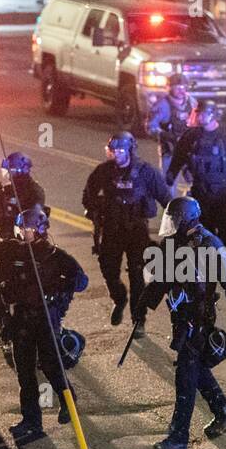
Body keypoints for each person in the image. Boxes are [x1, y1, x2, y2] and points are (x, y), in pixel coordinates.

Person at [0, 205, 89, 442]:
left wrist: (56, 289)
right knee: (25, 371)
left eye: (27, 227)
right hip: (20, 319)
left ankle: (68, 402)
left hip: (45, 319)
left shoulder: (55, 256)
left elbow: (81, 281)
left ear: (40, 229)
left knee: (51, 366)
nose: (22, 232)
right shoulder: (13, 251)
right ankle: (31, 420)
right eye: (20, 227)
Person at [141, 197, 226, 449]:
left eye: (174, 219)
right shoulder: (173, 244)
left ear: (186, 219)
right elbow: (162, 280)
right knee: (196, 369)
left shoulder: (211, 245)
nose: (171, 224)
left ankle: (178, 437)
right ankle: (223, 411)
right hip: (181, 318)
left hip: (199, 320)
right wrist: (143, 304)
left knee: (185, 377)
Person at [82, 132, 170, 327]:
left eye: (120, 150)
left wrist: (174, 225)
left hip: (136, 230)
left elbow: (167, 199)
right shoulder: (103, 171)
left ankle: (138, 319)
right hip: (111, 229)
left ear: (130, 150)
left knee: (137, 275)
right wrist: (97, 208)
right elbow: (88, 195)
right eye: (113, 150)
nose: (116, 154)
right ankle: (119, 299)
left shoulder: (146, 172)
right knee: (109, 270)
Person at [168, 100, 226, 248]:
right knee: (201, 233)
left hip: (221, 192)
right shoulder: (191, 136)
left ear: (213, 115)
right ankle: (205, 266)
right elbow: (178, 157)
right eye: (198, 114)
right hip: (199, 191)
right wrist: (170, 176)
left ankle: (222, 263)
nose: (200, 117)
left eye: (203, 114)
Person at [0, 151, 46, 336]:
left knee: (36, 280)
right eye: (6, 171)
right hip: (9, 241)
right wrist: (2, 194)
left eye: (11, 171)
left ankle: (45, 320)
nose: (7, 175)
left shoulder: (33, 190)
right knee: (0, 281)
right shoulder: (5, 187)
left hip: (29, 244)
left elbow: (36, 214)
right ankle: (1, 321)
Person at [146, 72, 196, 197]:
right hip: (170, 150)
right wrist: (166, 136)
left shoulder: (191, 102)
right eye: (177, 87)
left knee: (197, 180)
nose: (181, 90)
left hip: (189, 150)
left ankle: (191, 207)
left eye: (184, 87)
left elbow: (197, 121)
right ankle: (170, 210)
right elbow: (150, 127)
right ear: (170, 88)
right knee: (169, 183)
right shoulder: (162, 105)